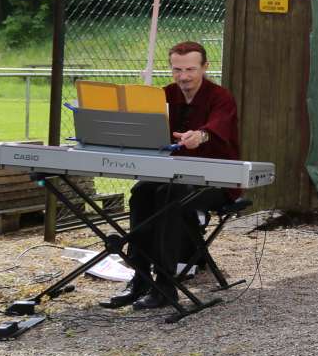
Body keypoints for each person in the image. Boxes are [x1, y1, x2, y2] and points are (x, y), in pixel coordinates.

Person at [101, 41, 240, 310]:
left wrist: (200, 136)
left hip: (216, 180)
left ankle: (165, 285)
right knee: (141, 192)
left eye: (190, 69)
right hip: (170, 175)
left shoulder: (221, 97)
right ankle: (140, 278)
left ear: (204, 67)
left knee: (169, 194)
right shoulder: (164, 94)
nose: (183, 76)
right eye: (177, 70)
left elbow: (216, 126)